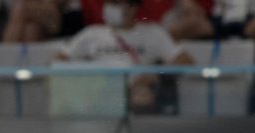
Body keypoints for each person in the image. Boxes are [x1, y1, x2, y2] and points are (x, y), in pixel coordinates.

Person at [55, 0, 193, 113]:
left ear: (132, 7)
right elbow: (58, 60)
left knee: (142, 97)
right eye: (109, 3)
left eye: (115, 3)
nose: (109, 7)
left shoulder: (152, 32)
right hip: (97, 95)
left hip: (134, 94)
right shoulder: (92, 33)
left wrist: (153, 75)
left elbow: (185, 60)